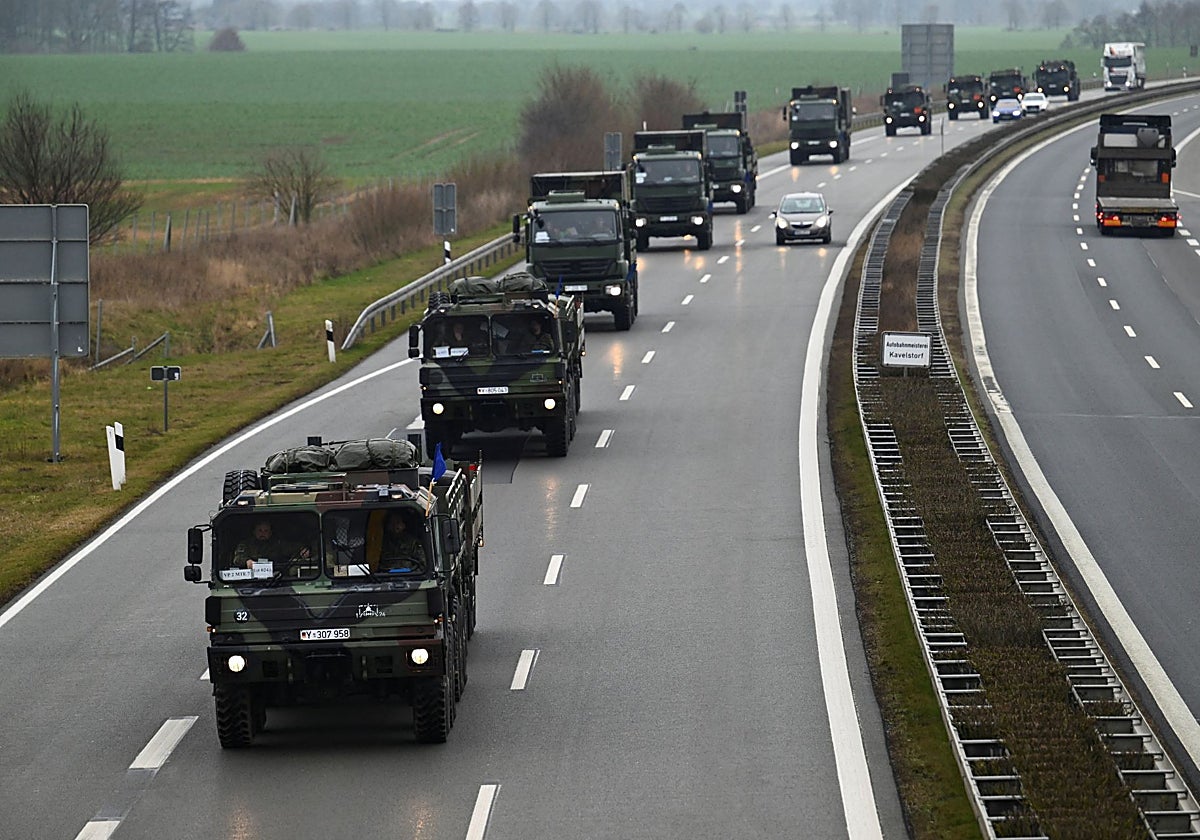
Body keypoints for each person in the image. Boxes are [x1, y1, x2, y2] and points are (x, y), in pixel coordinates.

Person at [233, 518, 310, 569]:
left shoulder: (277, 543)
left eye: (266, 531)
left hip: (274, 576)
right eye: (260, 530)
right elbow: (238, 558)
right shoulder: (245, 544)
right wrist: (247, 561)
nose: (262, 533)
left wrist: (302, 549)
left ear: (270, 533)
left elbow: (293, 547)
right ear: (254, 532)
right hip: (251, 578)